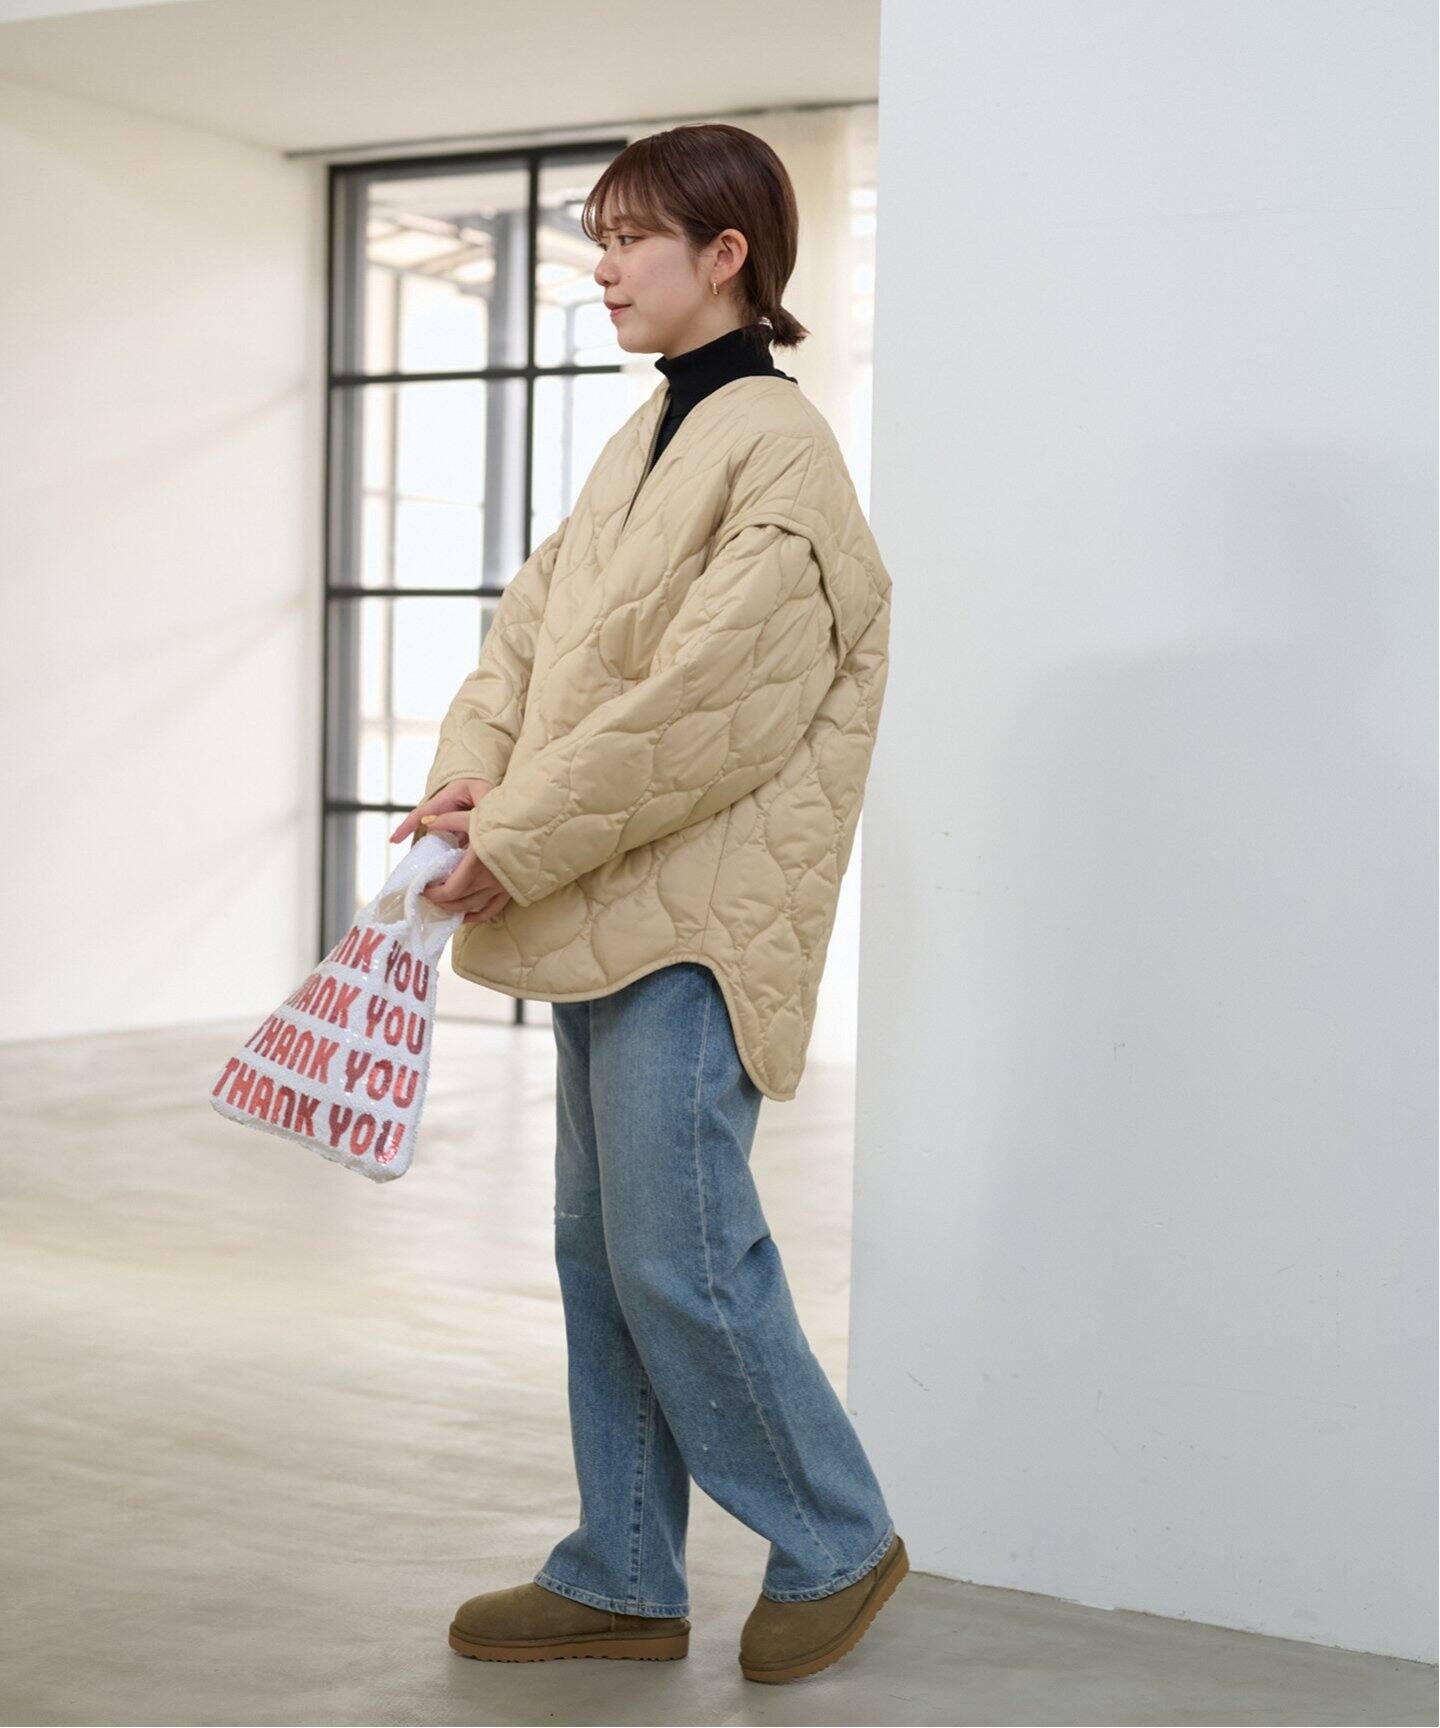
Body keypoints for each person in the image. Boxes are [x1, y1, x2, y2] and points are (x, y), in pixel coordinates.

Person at [391, 122, 904, 1685]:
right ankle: (622, 1570)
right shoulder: (647, 439)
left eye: (632, 238)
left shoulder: (780, 449)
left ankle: (837, 1539)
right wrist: (470, 780)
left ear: (726, 254)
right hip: (603, 895)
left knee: (683, 1256)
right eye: (601, 237)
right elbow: (528, 636)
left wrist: (518, 836)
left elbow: (709, 706)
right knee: (602, 1257)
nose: (602, 266)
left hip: (692, 923)